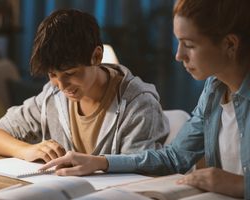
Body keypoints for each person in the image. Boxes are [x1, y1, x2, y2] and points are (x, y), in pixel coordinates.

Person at [40, 0, 250, 198]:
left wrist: (239, 185)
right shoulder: (213, 91)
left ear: (230, 44)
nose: (179, 55)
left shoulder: (137, 98)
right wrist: (100, 162)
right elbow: (173, 158)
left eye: (189, 45)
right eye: (178, 42)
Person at [0, 9, 169, 163]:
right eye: (52, 75)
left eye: (70, 73)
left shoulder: (139, 104)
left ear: (96, 56)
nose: (61, 86)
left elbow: (139, 175)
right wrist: (26, 150)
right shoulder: (51, 97)